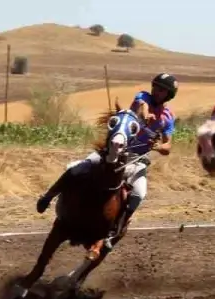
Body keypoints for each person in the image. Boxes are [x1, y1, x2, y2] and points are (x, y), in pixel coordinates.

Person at [36, 73, 177, 249]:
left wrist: (158, 146)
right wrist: (146, 116)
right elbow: (143, 107)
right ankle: (48, 196)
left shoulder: (168, 117)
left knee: (139, 194)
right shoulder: (143, 96)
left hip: (136, 159)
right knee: (77, 168)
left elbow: (168, 146)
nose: (157, 91)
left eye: (162, 90)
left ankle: (115, 230)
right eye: (156, 87)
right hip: (115, 150)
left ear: (169, 94)